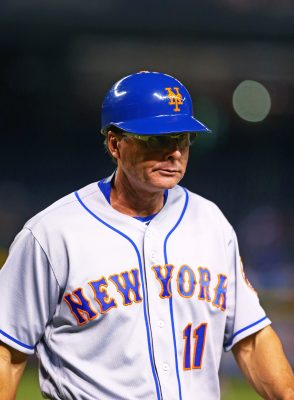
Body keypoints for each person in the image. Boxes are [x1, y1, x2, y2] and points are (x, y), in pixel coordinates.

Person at [0, 71, 293, 400]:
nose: (174, 153)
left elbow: (251, 339)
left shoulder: (210, 222)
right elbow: (7, 352)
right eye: (157, 139)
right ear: (115, 144)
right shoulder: (52, 234)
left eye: (181, 138)